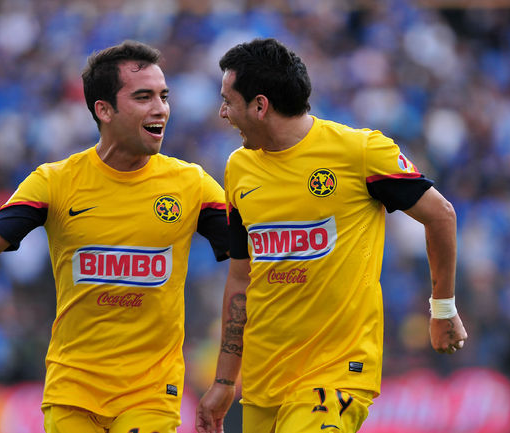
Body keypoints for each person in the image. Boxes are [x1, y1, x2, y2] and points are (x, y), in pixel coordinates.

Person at [0, 40, 229, 433]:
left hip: (151, 394)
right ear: (104, 110)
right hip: (73, 392)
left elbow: (249, 252)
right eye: (143, 97)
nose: (160, 108)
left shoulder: (191, 185)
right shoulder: (56, 182)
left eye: (163, 96)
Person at [196, 38, 468, 433]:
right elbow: (241, 278)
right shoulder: (239, 168)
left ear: (260, 105)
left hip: (336, 374)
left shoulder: (360, 152)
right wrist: (224, 380)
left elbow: (441, 215)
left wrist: (443, 309)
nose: (222, 112)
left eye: (228, 101)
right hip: (263, 380)